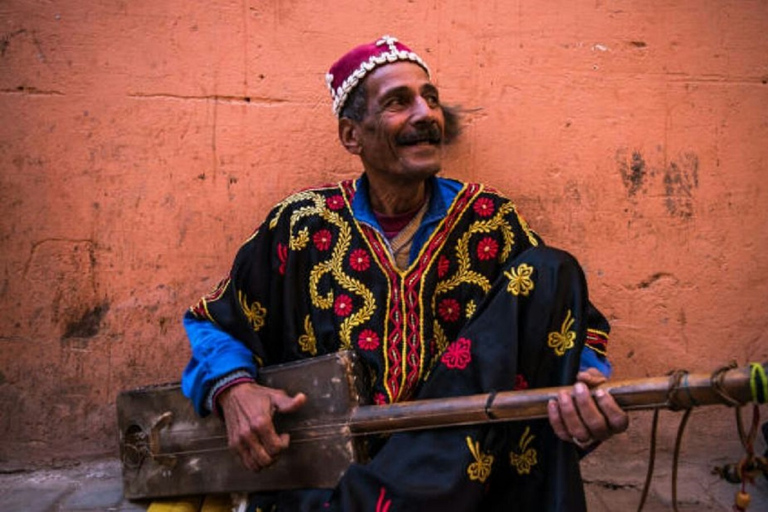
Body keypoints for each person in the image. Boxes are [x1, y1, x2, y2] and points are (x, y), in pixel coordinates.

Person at [181, 35, 629, 511]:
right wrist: (235, 389)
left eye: (430, 99)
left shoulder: (490, 220)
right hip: (334, 477)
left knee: (551, 270)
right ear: (352, 136)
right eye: (398, 102)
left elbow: (572, 330)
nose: (426, 114)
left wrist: (583, 385)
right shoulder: (301, 225)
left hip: (470, 477)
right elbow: (216, 321)